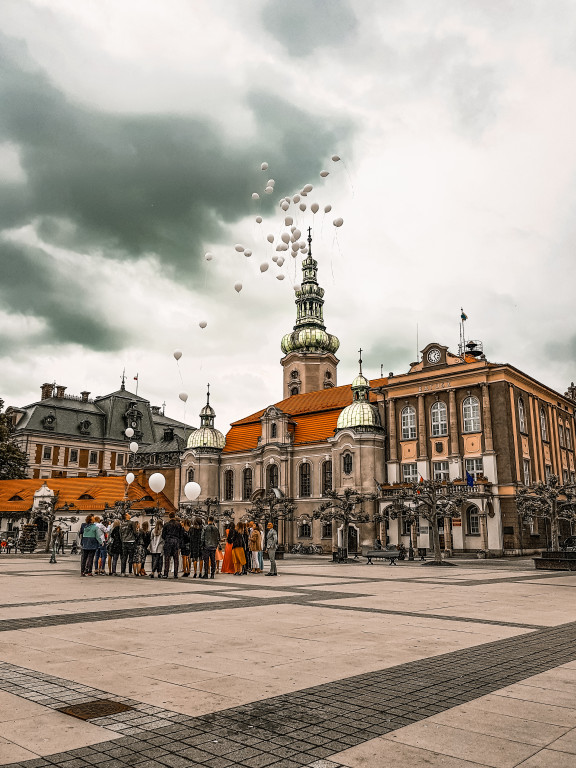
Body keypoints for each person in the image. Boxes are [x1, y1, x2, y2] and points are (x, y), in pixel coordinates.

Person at [162, 512, 183, 579]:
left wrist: (167, 538)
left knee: (167, 558)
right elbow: (181, 534)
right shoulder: (178, 525)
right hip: (176, 541)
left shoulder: (166, 524)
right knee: (176, 558)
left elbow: (163, 535)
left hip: (168, 541)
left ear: (169, 517)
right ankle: (175, 574)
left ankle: (166, 573)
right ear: (174, 516)